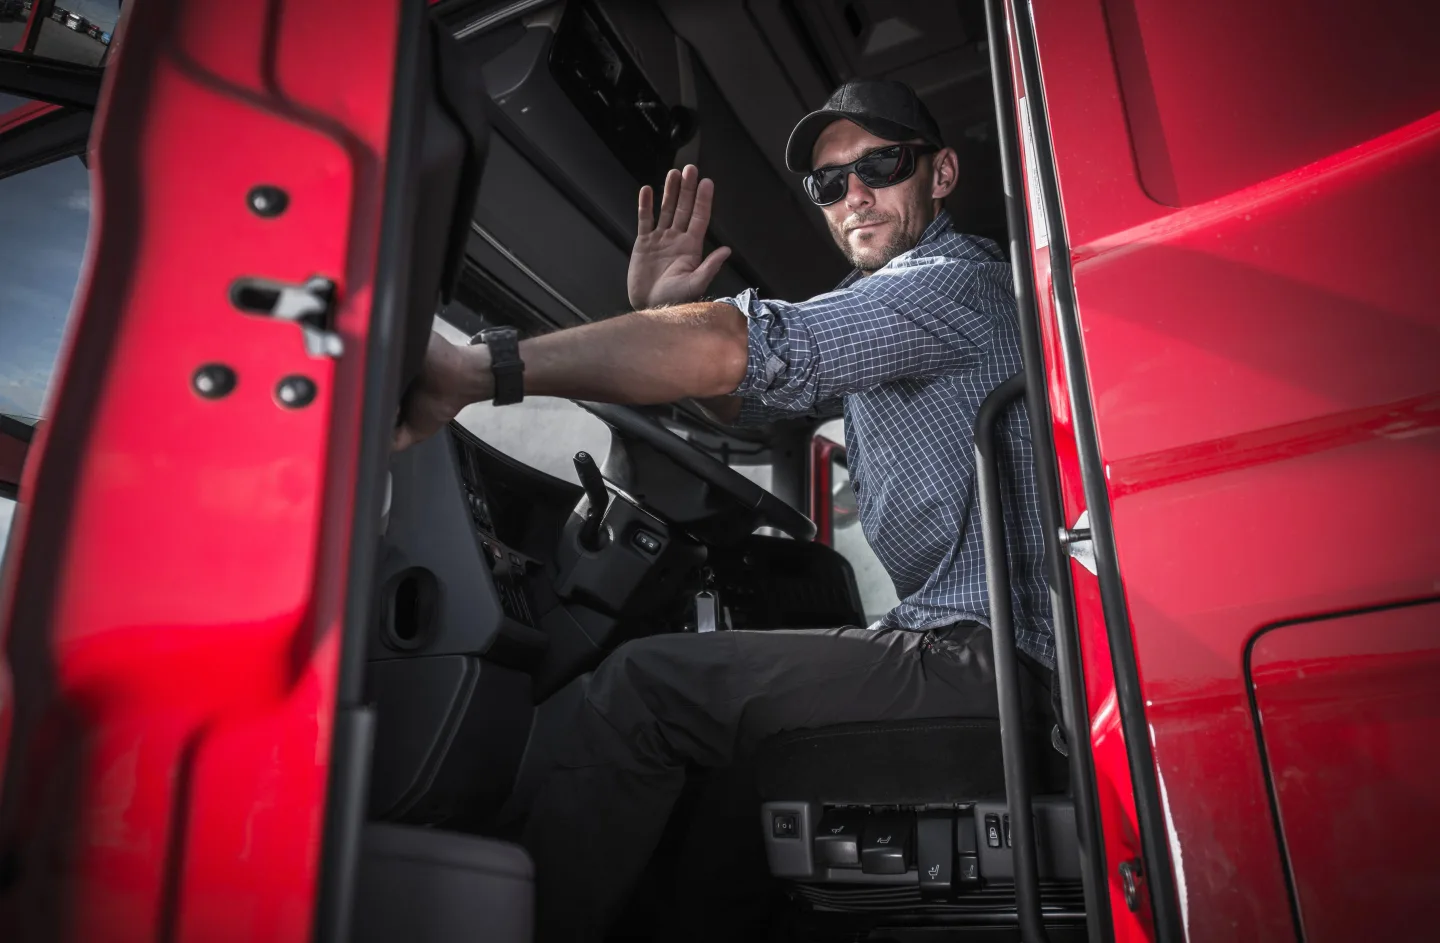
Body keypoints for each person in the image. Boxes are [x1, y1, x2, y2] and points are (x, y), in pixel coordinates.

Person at [396, 79, 1053, 940]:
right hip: (974, 649)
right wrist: (664, 315)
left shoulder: (947, 285)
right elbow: (737, 399)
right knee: (722, 751)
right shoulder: (917, 309)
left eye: (879, 165)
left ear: (940, 173)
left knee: (640, 688)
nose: (852, 194)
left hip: (996, 663)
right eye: (828, 182)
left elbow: (739, 351)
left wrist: (479, 370)